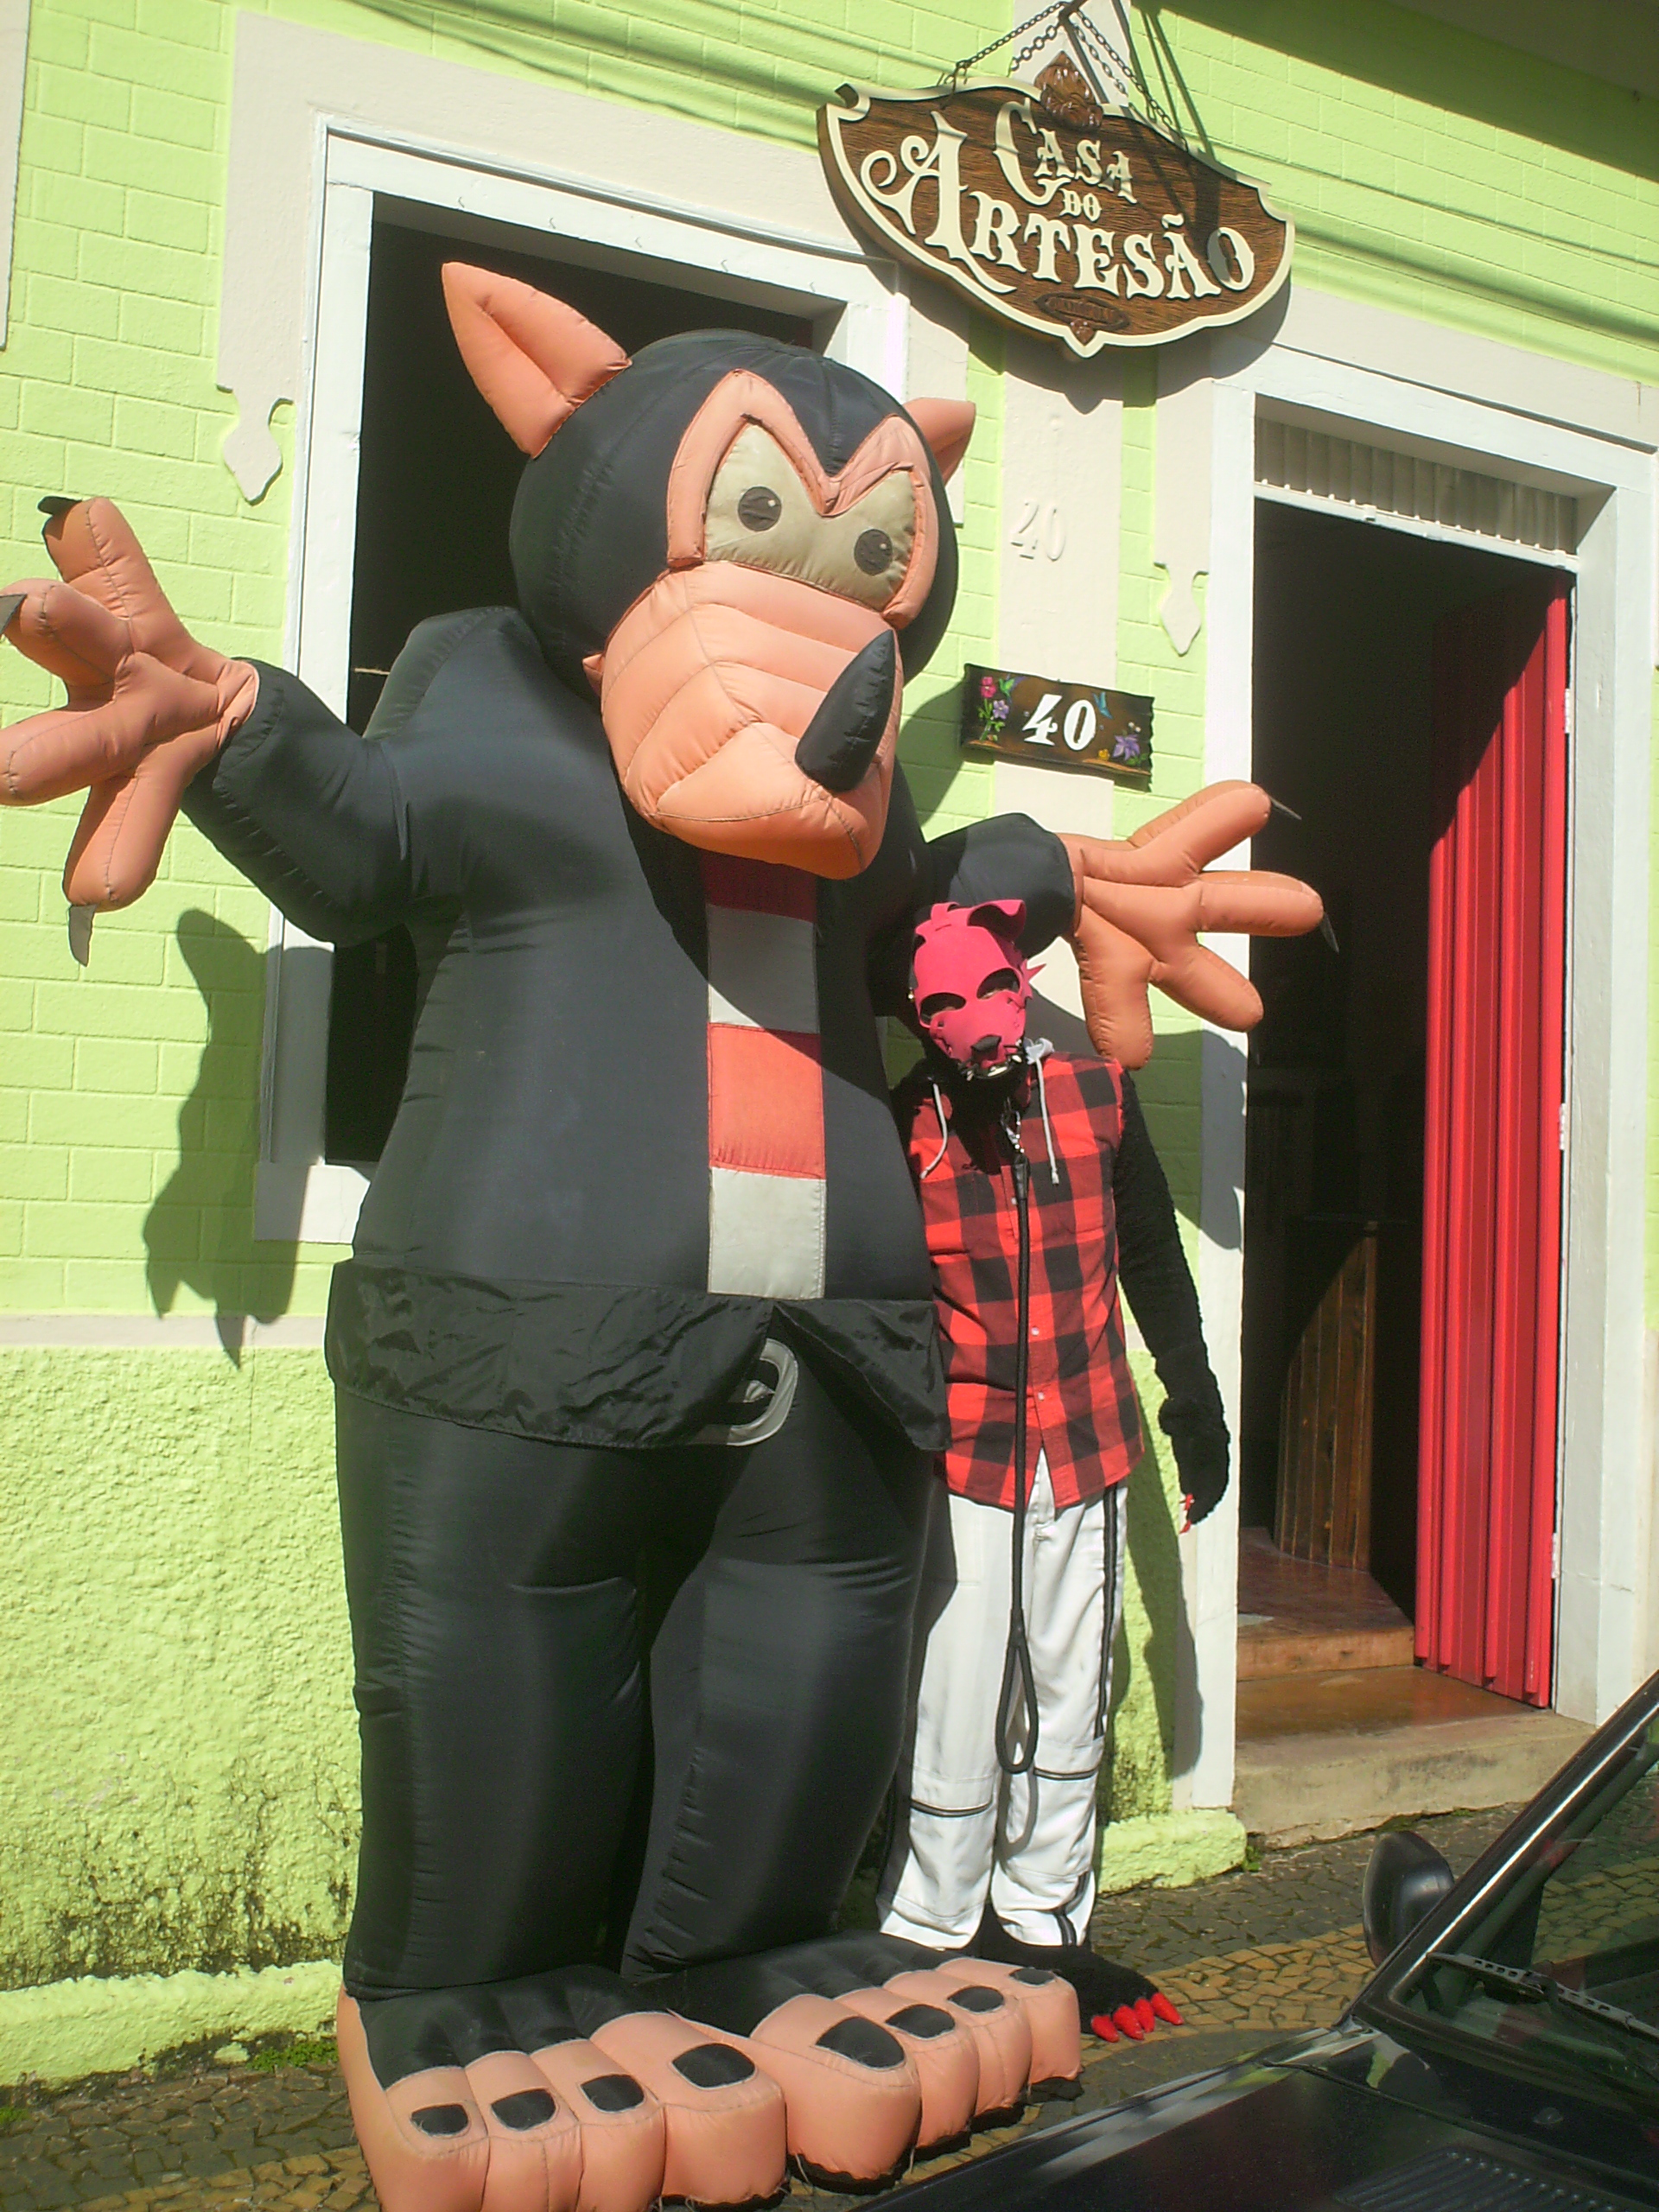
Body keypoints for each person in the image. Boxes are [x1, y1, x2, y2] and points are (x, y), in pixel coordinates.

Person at [878, 897, 1229, 2044]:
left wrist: (1195, 1400)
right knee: (954, 1684)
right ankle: (931, 1923)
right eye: (942, 1000)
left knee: (1074, 1683)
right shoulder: (905, 1125)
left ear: (1023, 983)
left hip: (1084, 1438)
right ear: (916, 1015)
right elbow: (877, 1294)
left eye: (990, 986)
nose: (973, 1015)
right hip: (964, 1448)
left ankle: (1044, 1922)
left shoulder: (1101, 1096)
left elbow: (1152, 1257)